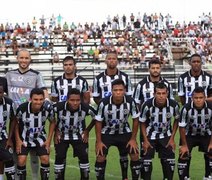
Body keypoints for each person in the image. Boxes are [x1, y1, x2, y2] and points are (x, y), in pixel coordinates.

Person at [6, 49, 50, 180]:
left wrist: (47, 101)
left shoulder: (36, 75)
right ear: (17, 59)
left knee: (35, 153)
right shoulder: (9, 74)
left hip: (31, 119)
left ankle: (35, 177)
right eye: (21, 58)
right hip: (15, 119)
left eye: (26, 58)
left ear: (30, 59)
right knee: (16, 152)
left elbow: (44, 91)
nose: (24, 60)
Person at [92, 50, 133, 179]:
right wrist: (106, 107)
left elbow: (129, 98)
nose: (111, 61)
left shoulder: (125, 77)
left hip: (122, 120)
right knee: (101, 153)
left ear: (117, 61)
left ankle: (125, 177)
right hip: (105, 120)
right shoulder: (98, 78)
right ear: (105, 61)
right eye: (109, 59)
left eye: (114, 59)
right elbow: (97, 97)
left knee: (126, 152)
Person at [95, 79, 140, 180]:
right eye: (115, 90)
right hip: (107, 132)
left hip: (124, 131)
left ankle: (128, 178)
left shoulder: (130, 101)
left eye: (120, 90)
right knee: (100, 155)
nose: (118, 92)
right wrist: (99, 141)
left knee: (135, 154)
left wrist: (133, 139)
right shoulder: (104, 103)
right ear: (112, 91)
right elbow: (98, 122)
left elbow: (136, 119)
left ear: (124, 90)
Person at [140, 82, 180, 180]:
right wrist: (145, 140)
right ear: (154, 94)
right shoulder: (147, 105)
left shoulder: (174, 105)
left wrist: (172, 138)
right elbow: (142, 122)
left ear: (167, 94)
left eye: (163, 93)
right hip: (150, 136)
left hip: (166, 136)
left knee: (169, 163)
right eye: (158, 93)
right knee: (146, 163)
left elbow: (177, 119)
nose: (161, 96)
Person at [54, 88, 96, 180]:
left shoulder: (85, 107)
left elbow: (97, 117)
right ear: (67, 100)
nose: (75, 103)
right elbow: (48, 115)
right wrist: (56, 130)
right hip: (62, 136)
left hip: (79, 135)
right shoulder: (59, 107)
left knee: (84, 157)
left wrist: (87, 130)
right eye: (72, 100)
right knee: (60, 157)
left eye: (77, 100)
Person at [15, 88, 55, 180]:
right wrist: (18, 140)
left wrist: (48, 140)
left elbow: (53, 122)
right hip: (24, 139)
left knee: (45, 159)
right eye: (35, 99)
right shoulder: (22, 108)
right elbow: (15, 123)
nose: (38, 102)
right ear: (30, 99)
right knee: (21, 160)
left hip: (40, 138)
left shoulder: (48, 109)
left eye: (41, 99)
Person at [177, 87, 212, 180]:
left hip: (206, 134)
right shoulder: (185, 109)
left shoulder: (211, 107)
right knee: (183, 154)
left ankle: (208, 176)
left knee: (211, 152)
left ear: (205, 98)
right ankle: (185, 177)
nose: (198, 100)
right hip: (189, 134)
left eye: (201, 98)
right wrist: (184, 145)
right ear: (192, 98)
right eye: (196, 98)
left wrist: (211, 143)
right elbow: (182, 127)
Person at [0, 83, 16, 180]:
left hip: (3, 136)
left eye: (0, 92)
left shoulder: (9, 103)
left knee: (9, 158)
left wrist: (9, 138)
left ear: (3, 93)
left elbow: (13, 119)